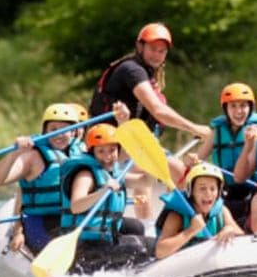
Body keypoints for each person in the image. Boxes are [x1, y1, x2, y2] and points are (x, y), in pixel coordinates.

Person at [89, 22, 210, 219]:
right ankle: (191, 222)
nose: (157, 55)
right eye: (153, 49)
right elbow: (158, 110)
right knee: (179, 172)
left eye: (162, 51)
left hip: (126, 141)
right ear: (140, 47)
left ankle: (145, 229)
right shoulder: (132, 70)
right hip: (109, 143)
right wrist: (194, 127)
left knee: (145, 184)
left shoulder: (148, 72)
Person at [0, 103, 90, 255]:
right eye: (53, 129)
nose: (59, 134)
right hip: (40, 222)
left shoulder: (82, 152)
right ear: (44, 131)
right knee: (79, 249)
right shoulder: (32, 157)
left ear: (74, 132)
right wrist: (14, 154)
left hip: (70, 220)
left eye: (65, 129)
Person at [60, 122, 153, 273]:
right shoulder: (86, 175)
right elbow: (76, 206)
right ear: (92, 152)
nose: (108, 156)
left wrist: (147, 159)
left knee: (136, 227)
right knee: (141, 246)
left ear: (118, 150)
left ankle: (129, 268)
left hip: (104, 240)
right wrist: (102, 192)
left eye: (112, 150)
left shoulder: (115, 174)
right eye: (101, 151)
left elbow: (146, 181)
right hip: (84, 246)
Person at [184, 82, 257, 226]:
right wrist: (190, 160)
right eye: (233, 106)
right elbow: (198, 158)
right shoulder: (217, 132)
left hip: (252, 190)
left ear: (251, 108)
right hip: (225, 191)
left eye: (243, 106)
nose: (239, 111)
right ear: (225, 109)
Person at [155, 162, 244, 259]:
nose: (208, 194)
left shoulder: (221, 211)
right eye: (202, 188)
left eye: (213, 189)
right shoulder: (177, 215)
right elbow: (160, 252)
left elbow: (243, 238)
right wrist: (191, 230)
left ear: (219, 192)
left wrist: (230, 230)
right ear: (191, 191)